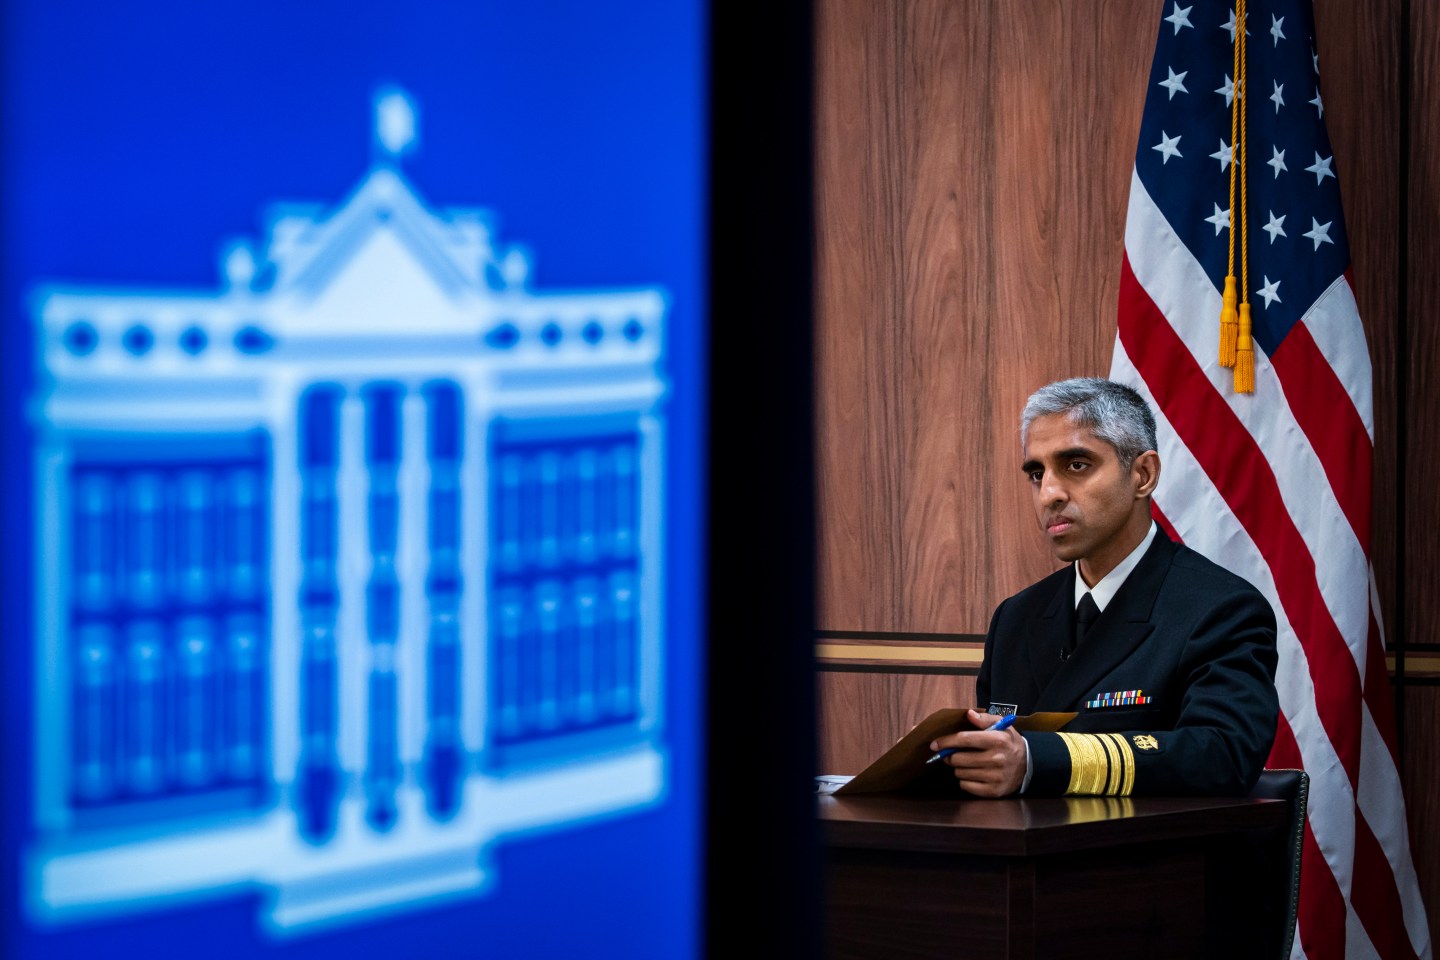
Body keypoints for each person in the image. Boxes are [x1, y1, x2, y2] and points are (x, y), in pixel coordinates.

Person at [931, 377, 1279, 797]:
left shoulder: (1220, 609)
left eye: (1076, 465)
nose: (1048, 494)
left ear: (1143, 475)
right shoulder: (1015, 618)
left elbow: (1223, 753)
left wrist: (1039, 760)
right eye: (1037, 474)